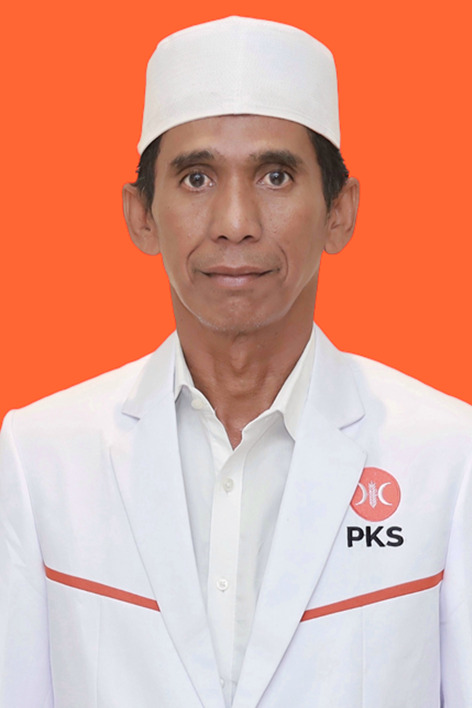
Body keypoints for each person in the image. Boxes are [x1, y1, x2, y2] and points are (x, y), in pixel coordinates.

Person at [0, 15, 471, 708]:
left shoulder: (448, 455)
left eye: (276, 176)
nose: (235, 222)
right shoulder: (42, 455)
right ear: (141, 216)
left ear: (339, 212)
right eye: (196, 178)